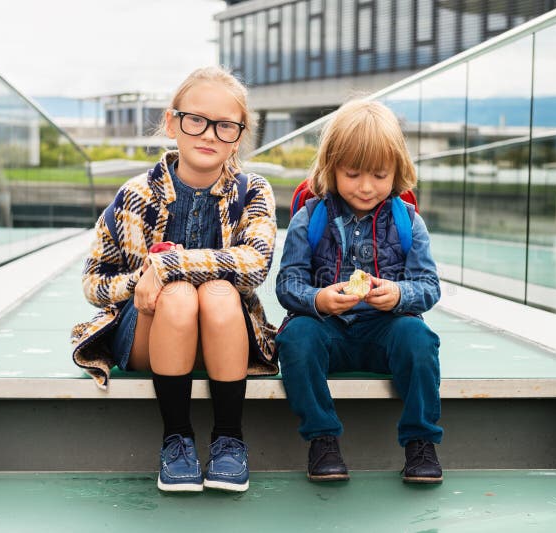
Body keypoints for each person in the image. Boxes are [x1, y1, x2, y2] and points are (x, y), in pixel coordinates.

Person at [71, 66, 278, 493]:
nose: (208, 135)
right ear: (173, 122)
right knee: (179, 297)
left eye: (225, 126)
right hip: (151, 335)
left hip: (225, 337)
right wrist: (141, 283)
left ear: (239, 136)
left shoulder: (253, 191)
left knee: (219, 292)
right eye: (196, 120)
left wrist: (165, 266)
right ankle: (177, 439)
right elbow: (94, 283)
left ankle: (228, 438)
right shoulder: (135, 196)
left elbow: (256, 263)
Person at [275, 99, 443, 484]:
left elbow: (429, 287)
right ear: (330, 169)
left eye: (379, 175)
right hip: (327, 333)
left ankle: (421, 442)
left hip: (385, 332)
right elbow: (287, 284)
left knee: (418, 338)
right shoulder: (310, 218)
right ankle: (322, 439)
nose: (366, 187)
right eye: (352, 174)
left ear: (398, 171)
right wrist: (318, 300)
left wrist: (399, 294)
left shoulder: (408, 222)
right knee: (297, 338)